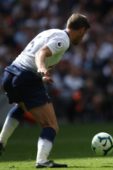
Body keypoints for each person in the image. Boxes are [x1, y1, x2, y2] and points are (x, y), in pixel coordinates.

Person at [0, 13, 90, 168]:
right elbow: (41, 53)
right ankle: (42, 161)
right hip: (27, 76)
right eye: (85, 33)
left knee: (20, 108)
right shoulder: (63, 40)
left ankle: (1, 142)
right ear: (81, 30)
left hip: (11, 73)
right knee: (51, 125)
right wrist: (42, 70)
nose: (83, 37)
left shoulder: (51, 31)